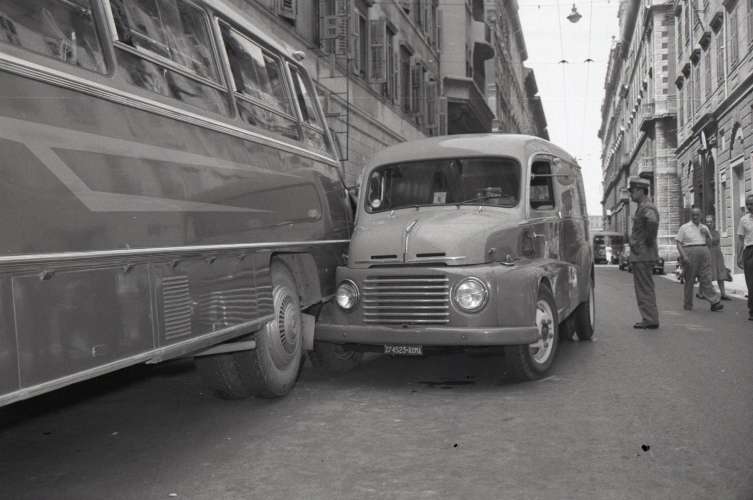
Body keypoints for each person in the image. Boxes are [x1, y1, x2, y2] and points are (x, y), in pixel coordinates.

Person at [627, 177, 660, 329]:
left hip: (642, 254)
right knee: (645, 287)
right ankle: (650, 317)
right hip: (642, 253)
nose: (631, 194)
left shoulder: (646, 207)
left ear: (641, 191)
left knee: (644, 288)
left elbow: (652, 222)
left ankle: (650, 319)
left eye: (633, 191)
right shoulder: (643, 206)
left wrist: (647, 240)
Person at [676, 208, 723, 312]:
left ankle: (714, 302)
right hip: (690, 252)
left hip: (704, 252)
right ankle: (688, 304)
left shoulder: (704, 227)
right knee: (690, 279)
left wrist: (706, 234)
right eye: (693, 215)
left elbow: (710, 244)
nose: (695, 217)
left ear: (701, 215)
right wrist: (684, 256)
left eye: (697, 215)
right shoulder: (684, 227)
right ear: (690, 216)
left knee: (706, 278)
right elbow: (678, 243)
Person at [705, 215, 731, 300]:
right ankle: (708, 293)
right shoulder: (704, 233)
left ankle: (723, 294)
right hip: (709, 255)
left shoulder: (716, 232)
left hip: (718, 255)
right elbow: (708, 243)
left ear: (714, 222)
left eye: (711, 222)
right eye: (707, 222)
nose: (709, 223)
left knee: (720, 275)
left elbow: (716, 242)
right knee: (709, 275)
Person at [736, 194, 753, 321]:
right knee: (751, 282)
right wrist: (739, 256)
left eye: (752, 204)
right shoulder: (744, 220)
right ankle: (752, 310)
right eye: (748, 204)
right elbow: (741, 240)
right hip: (749, 252)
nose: (750, 206)